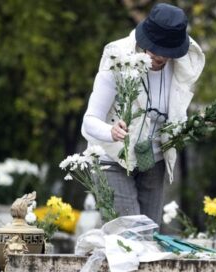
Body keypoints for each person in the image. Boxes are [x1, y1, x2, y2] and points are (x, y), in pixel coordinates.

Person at [81, 3, 205, 224]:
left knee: (148, 238)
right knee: (128, 237)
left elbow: (176, 115)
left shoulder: (178, 69)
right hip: (112, 159)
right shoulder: (118, 60)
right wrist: (111, 131)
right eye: (157, 49)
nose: (163, 57)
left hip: (153, 162)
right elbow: (89, 121)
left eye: (169, 52)